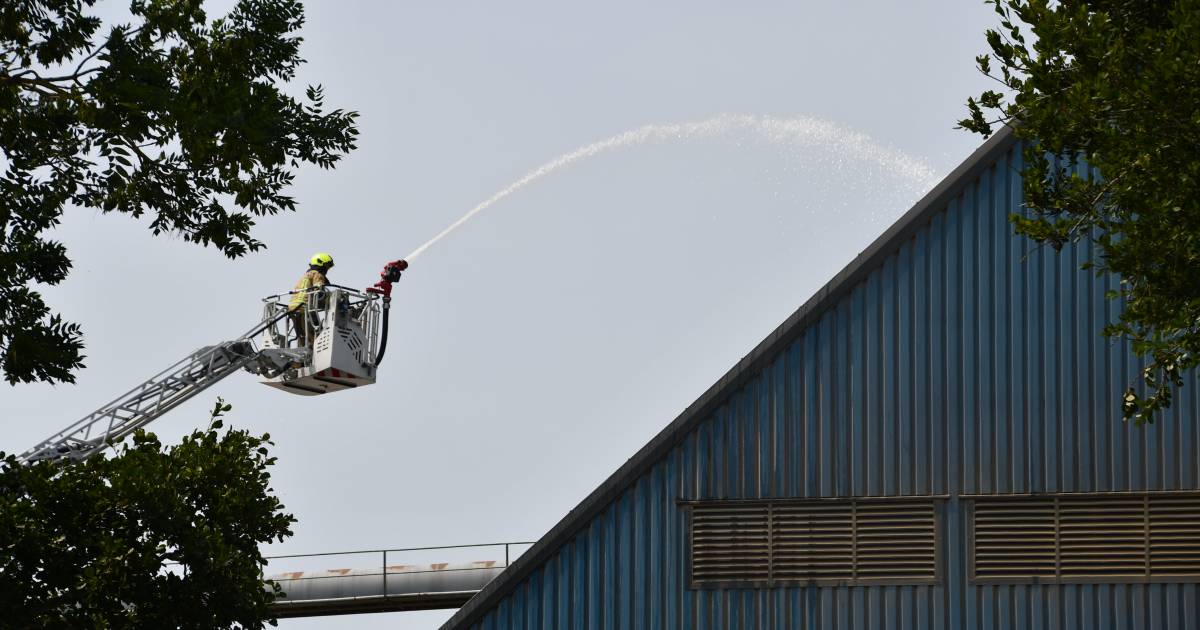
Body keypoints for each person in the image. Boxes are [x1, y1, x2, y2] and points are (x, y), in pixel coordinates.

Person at [289, 252, 334, 346]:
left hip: (293, 308)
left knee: (302, 335)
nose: (327, 270)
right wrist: (332, 299)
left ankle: (299, 358)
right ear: (321, 264)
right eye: (326, 266)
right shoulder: (317, 274)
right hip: (304, 308)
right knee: (315, 336)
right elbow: (319, 291)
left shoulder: (305, 275)